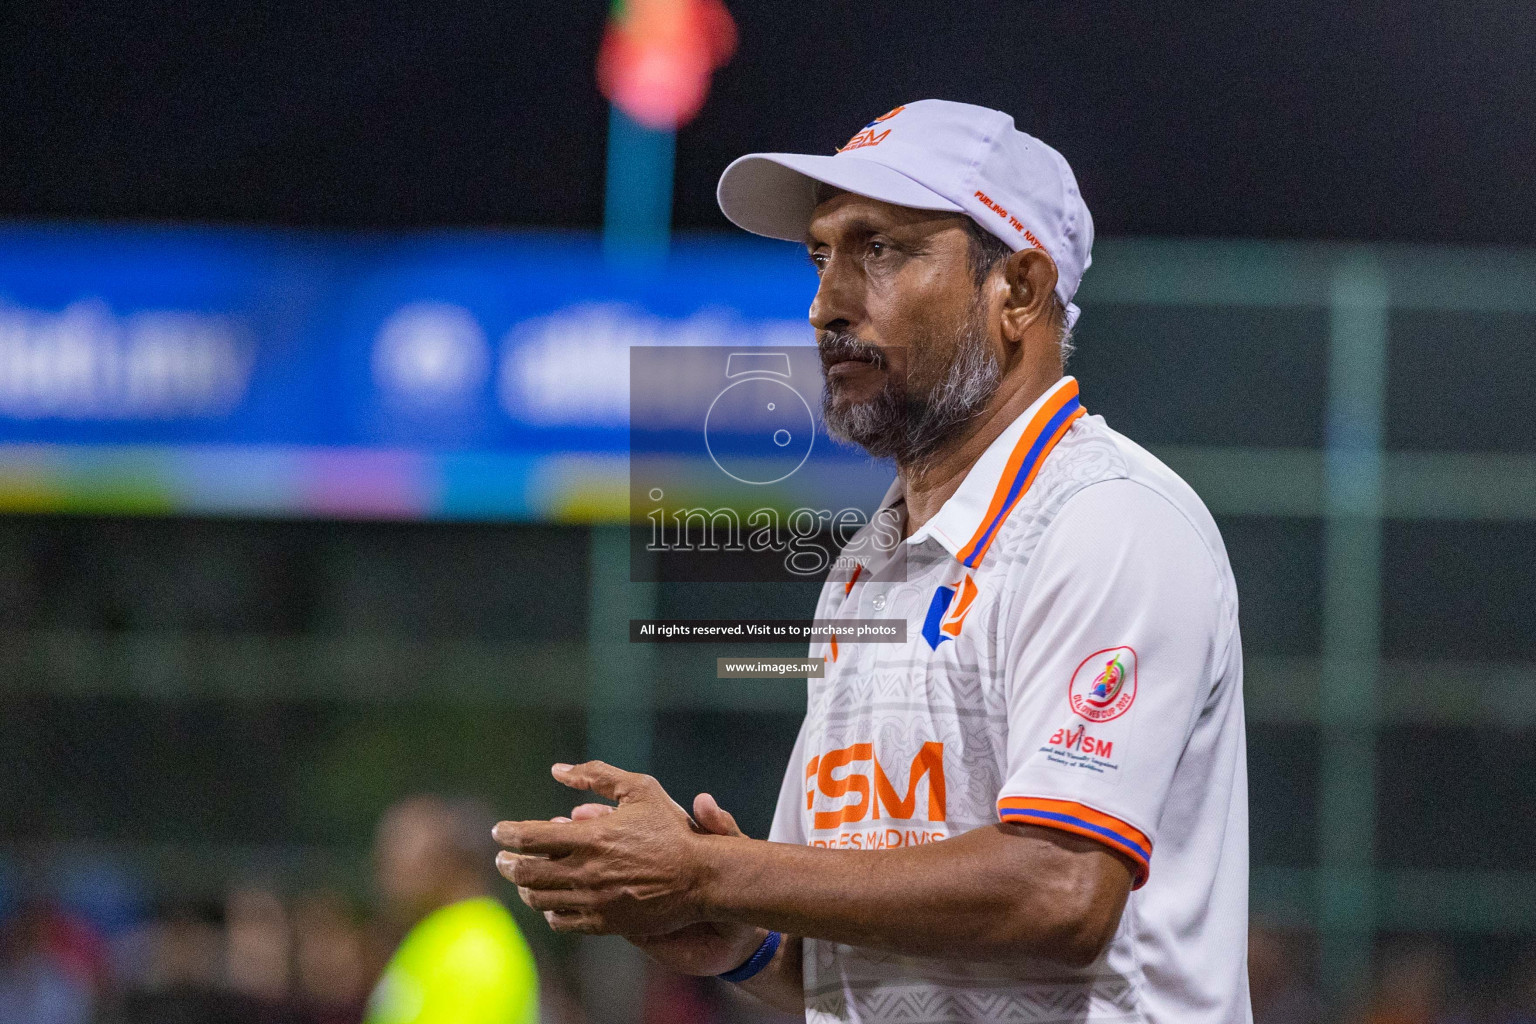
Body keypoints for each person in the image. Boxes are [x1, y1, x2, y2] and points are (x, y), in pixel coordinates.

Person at [495, 98, 1249, 1024]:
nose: (824, 305)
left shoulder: (1106, 520)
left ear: (1016, 289)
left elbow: (1058, 891)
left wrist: (714, 868)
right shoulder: (867, 565)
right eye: (820, 255)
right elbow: (861, 959)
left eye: (879, 251)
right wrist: (728, 930)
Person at [366, 796, 538, 1024]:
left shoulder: (475, 952)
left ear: (451, 861)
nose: (388, 869)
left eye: (403, 848)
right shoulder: (442, 936)